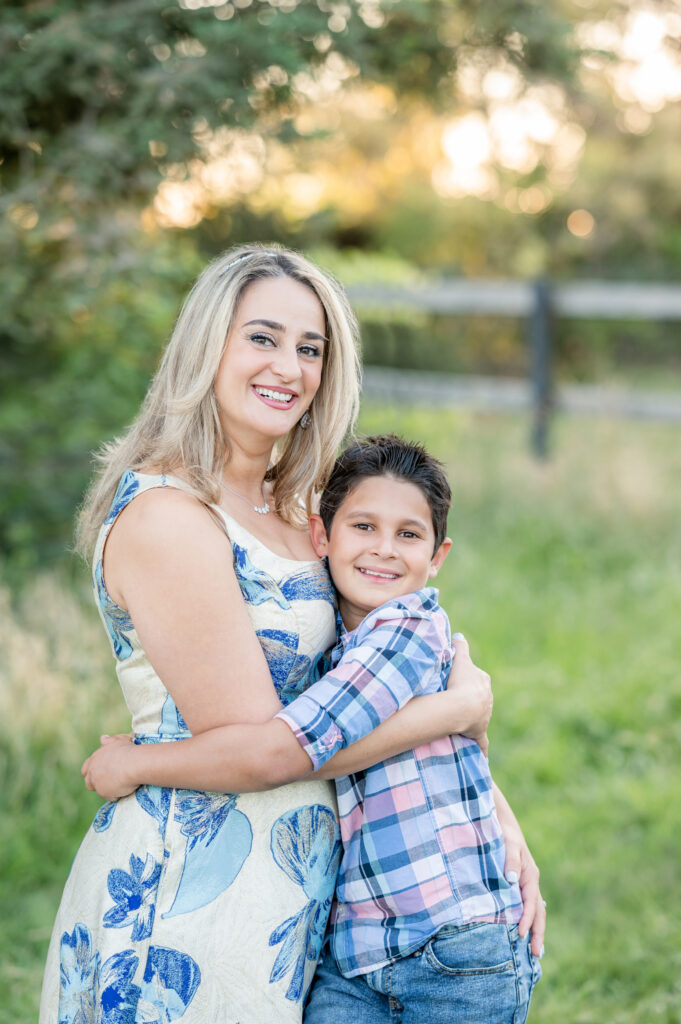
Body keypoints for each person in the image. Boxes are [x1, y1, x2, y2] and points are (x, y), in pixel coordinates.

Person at [40, 245, 516, 1024]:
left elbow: (367, 680)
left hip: (305, 895)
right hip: (188, 897)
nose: (288, 367)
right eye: (261, 338)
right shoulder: (170, 518)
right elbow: (270, 746)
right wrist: (460, 710)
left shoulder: (299, 510)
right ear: (207, 348)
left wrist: (494, 824)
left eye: (310, 347)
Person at [82, 434, 545, 1023]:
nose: (384, 550)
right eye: (364, 527)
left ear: (438, 557)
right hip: (361, 950)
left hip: (451, 947)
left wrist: (141, 761)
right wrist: (458, 713)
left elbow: (290, 751)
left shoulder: (404, 631)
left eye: (408, 535)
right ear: (321, 537)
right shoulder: (341, 647)